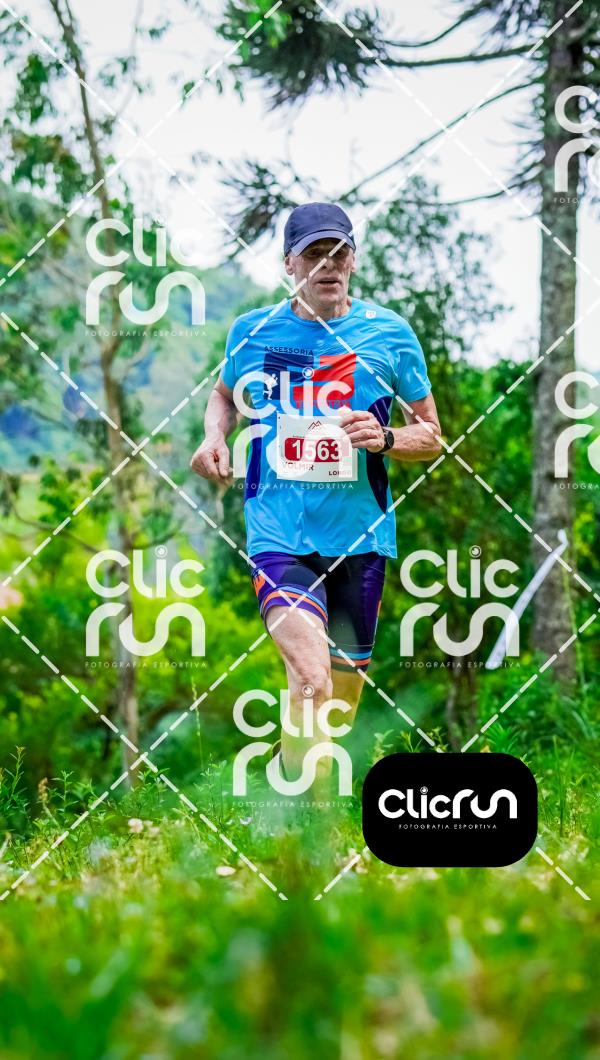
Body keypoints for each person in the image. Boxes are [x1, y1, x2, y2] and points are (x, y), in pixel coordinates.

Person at [191, 202, 441, 793]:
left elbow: (431, 435)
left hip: (360, 538)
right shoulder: (253, 331)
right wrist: (213, 437)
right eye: (313, 254)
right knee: (309, 678)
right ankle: (308, 821)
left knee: (337, 706)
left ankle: (285, 793)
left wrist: (385, 437)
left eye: (339, 253)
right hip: (278, 533)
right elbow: (223, 394)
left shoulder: (389, 334)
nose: (328, 265)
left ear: (353, 260)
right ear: (290, 265)